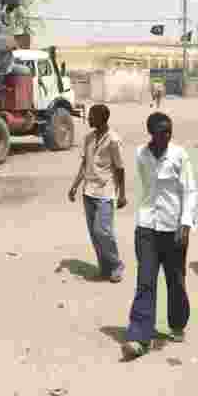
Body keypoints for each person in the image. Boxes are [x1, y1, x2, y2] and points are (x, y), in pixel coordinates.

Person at [121, 111, 198, 361]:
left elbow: (190, 190)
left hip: (173, 229)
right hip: (146, 227)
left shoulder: (179, 155)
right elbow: (147, 189)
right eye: (161, 131)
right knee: (145, 281)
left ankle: (177, 323)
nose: (166, 135)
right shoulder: (141, 154)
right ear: (151, 133)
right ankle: (140, 336)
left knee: (175, 280)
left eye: (169, 131)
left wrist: (185, 225)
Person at [68, 104, 127, 282]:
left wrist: (122, 194)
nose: (89, 119)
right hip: (88, 192)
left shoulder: (113, 140)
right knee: (94, 234)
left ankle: (116, 264)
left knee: (102, 231)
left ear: (102, 118)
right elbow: (84, 164)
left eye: (92, 116)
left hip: (105, 191)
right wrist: (75, 185)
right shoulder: (88, 138)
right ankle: (105, 267)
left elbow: (120, 168)